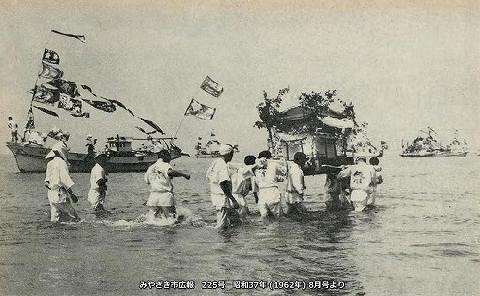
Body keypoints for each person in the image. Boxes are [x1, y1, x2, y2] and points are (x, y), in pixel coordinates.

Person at [144, 150, 190, 220]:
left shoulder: (151, 168)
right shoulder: (164, 164)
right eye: (169, 156)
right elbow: (170, 172)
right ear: (165, 156)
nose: (170, 159)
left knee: (154, 221)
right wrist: (184, 174)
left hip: (153, 196)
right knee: (172, 220)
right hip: (165, 196)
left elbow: (147, 181)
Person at [206, 144, 240, 229]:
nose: (232, 156)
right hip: (222, 197)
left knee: (230, 220)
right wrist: (233, 200)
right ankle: (221, 241)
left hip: (215, 195)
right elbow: (223, 184)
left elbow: (209, 177)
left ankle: (227, 240)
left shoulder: (216, 162)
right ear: (229, 154)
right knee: (222, 226)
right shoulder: (223, 165)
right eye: (232, 154)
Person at [44, 146, 80, 222]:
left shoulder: (49, 163)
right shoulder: (62, 163)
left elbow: (46, 182)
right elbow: (65, 180)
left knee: (55, 217)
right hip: (60, 193)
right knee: (73, 217)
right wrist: (72, 194)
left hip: (51, 193)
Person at [255, 150, 287, 219]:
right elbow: (284, 172)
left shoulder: (256, 168)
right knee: (279, 217)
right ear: (269, 157)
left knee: (265, 217)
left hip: (261, 194)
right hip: (272, 192)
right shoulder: (273, 164)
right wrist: (284, 161)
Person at [231, 155, 259, 220]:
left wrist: (256, 196)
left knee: (245, 216)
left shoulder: (244, 171)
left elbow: (251, 186)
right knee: (243, 218)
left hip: (239, 196)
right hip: (237, 196)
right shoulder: (244, 171)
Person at [285, 152, 308, 216]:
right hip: (295, 196)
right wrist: (301, 192)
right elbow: (296, 183)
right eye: (303, 160)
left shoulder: (294, 168)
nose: (304, 162)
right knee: (303, 213)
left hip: (291, 195)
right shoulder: (296, 170)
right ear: (299, 160)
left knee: (291, 214)